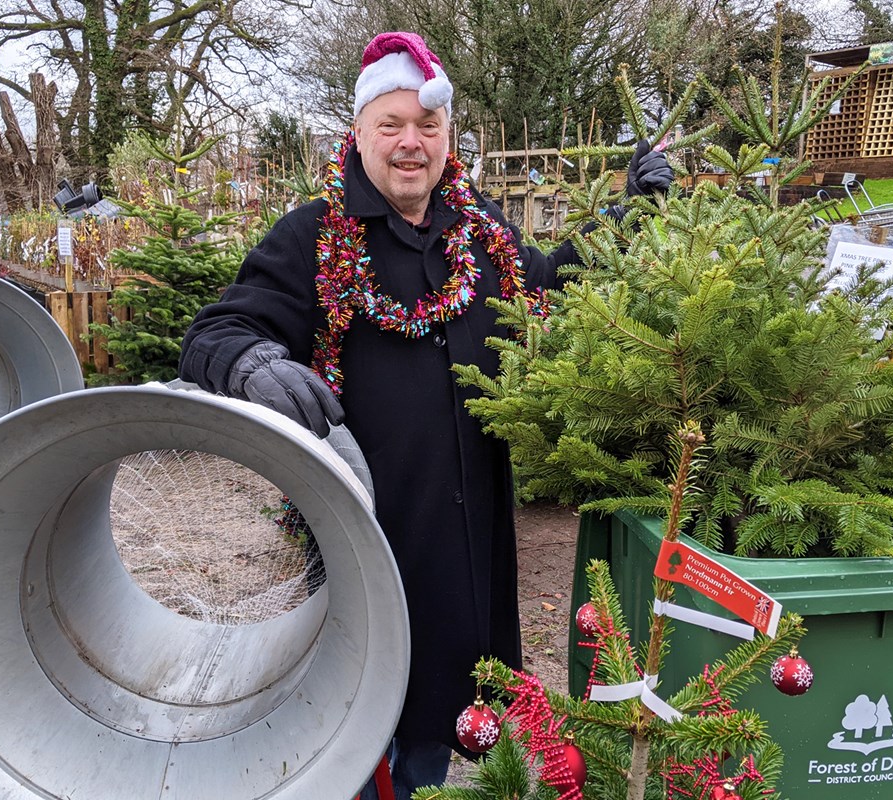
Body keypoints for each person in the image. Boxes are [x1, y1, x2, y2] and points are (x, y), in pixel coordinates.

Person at [179, 31, 672, 799]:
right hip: (368, 543)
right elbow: (215, 334)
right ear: (361, 134)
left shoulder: (479, 236)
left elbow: (552, 279)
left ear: (447, 139)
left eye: (428, 127)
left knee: (440, 725)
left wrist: (636, 211)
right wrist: (253, 366)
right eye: (392, 125)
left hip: (469, 546)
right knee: (358, 732)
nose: (411, 143)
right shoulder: (313, 237)